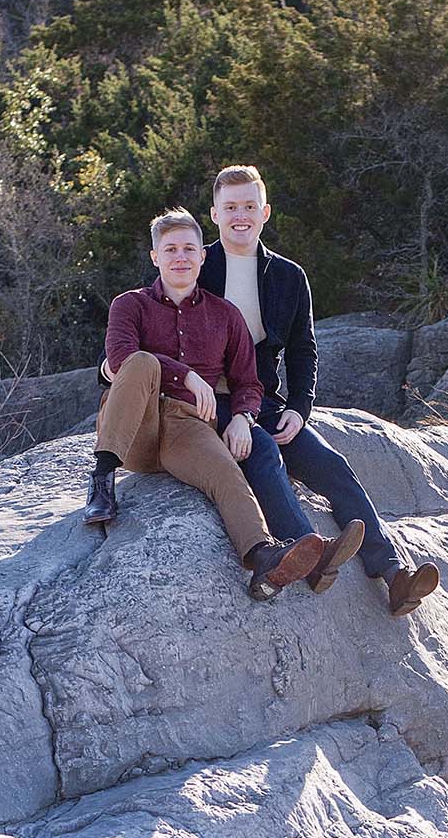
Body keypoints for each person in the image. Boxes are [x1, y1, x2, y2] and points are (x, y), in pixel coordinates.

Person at [201, 164, 441, 617]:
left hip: (266, 401)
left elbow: (302, 351)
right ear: (214, 214)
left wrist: (299, 407)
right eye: (230, 207)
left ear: (265, 211)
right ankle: (306, 551)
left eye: (249, 206)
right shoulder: (197, 266)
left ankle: (392, 575)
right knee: (264, 452)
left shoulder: (288, 276)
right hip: (211, 402)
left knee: (332, 464)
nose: (240, 215)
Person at [85, 208, 329, 600]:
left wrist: (244, 417)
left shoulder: (225, 315)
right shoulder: (129, 305)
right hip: (135, 423)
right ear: (155, 257)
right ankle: (100, 480)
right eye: (170, 250)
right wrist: (187, 375)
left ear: (202, 256)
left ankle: (263, 560)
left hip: (188, 425)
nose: (180, 257)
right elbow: (119, 361)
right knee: (142, 362)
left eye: (188, 249)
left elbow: (249, 380)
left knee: (228, 473)